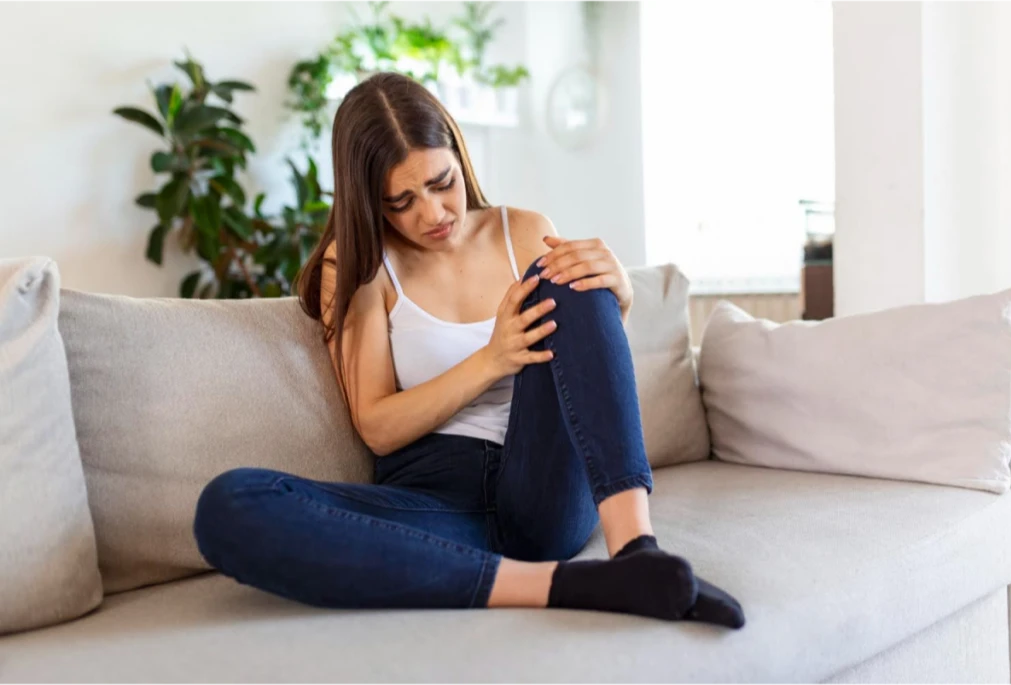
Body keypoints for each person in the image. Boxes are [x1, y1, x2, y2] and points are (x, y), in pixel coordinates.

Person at [192, 72, 743, 628]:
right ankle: (564, 585)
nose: (432, 214)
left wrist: (615, 301)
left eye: (441, 182)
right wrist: (491, 359)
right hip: (434, 503)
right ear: (369, 202)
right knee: (229, 505)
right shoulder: (357, 267)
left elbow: (580, 376)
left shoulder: (525, 232)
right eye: (401, 201)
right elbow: (378, 425)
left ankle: (635, 555)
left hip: (543, 487)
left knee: (571, 277)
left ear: (458, 152)